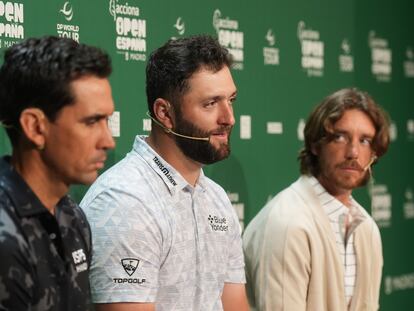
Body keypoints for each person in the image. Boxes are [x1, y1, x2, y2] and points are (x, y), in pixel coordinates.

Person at [80, 35, 249, 311]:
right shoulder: (125, 201)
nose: (228, 117)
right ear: (164, 113)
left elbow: (234, 305)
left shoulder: (216, 198)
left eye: (231, 100)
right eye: (210, 103)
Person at [243, 88, 390, 311]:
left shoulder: (367, 229)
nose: (353, 152)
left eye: (365, 141)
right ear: (315, 144)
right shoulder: (288, 224)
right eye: (340, 137)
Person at [0, 36, 115, 311]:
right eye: (91, 122)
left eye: (106, 121)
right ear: (35, 128)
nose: (108, 141)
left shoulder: (72, 217)